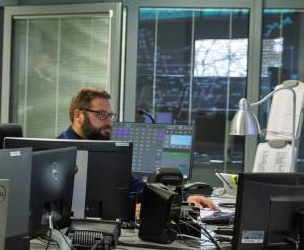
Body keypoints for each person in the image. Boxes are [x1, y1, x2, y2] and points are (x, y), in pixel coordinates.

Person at [58, 87, 218, 211]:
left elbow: (137, 188)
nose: (108, 122)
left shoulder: (106, 150)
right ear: (78, 116)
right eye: (101, 114)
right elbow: (67, 206)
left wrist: (184, 198)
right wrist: (127, 209)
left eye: (110, 115)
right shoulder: (59, 153)